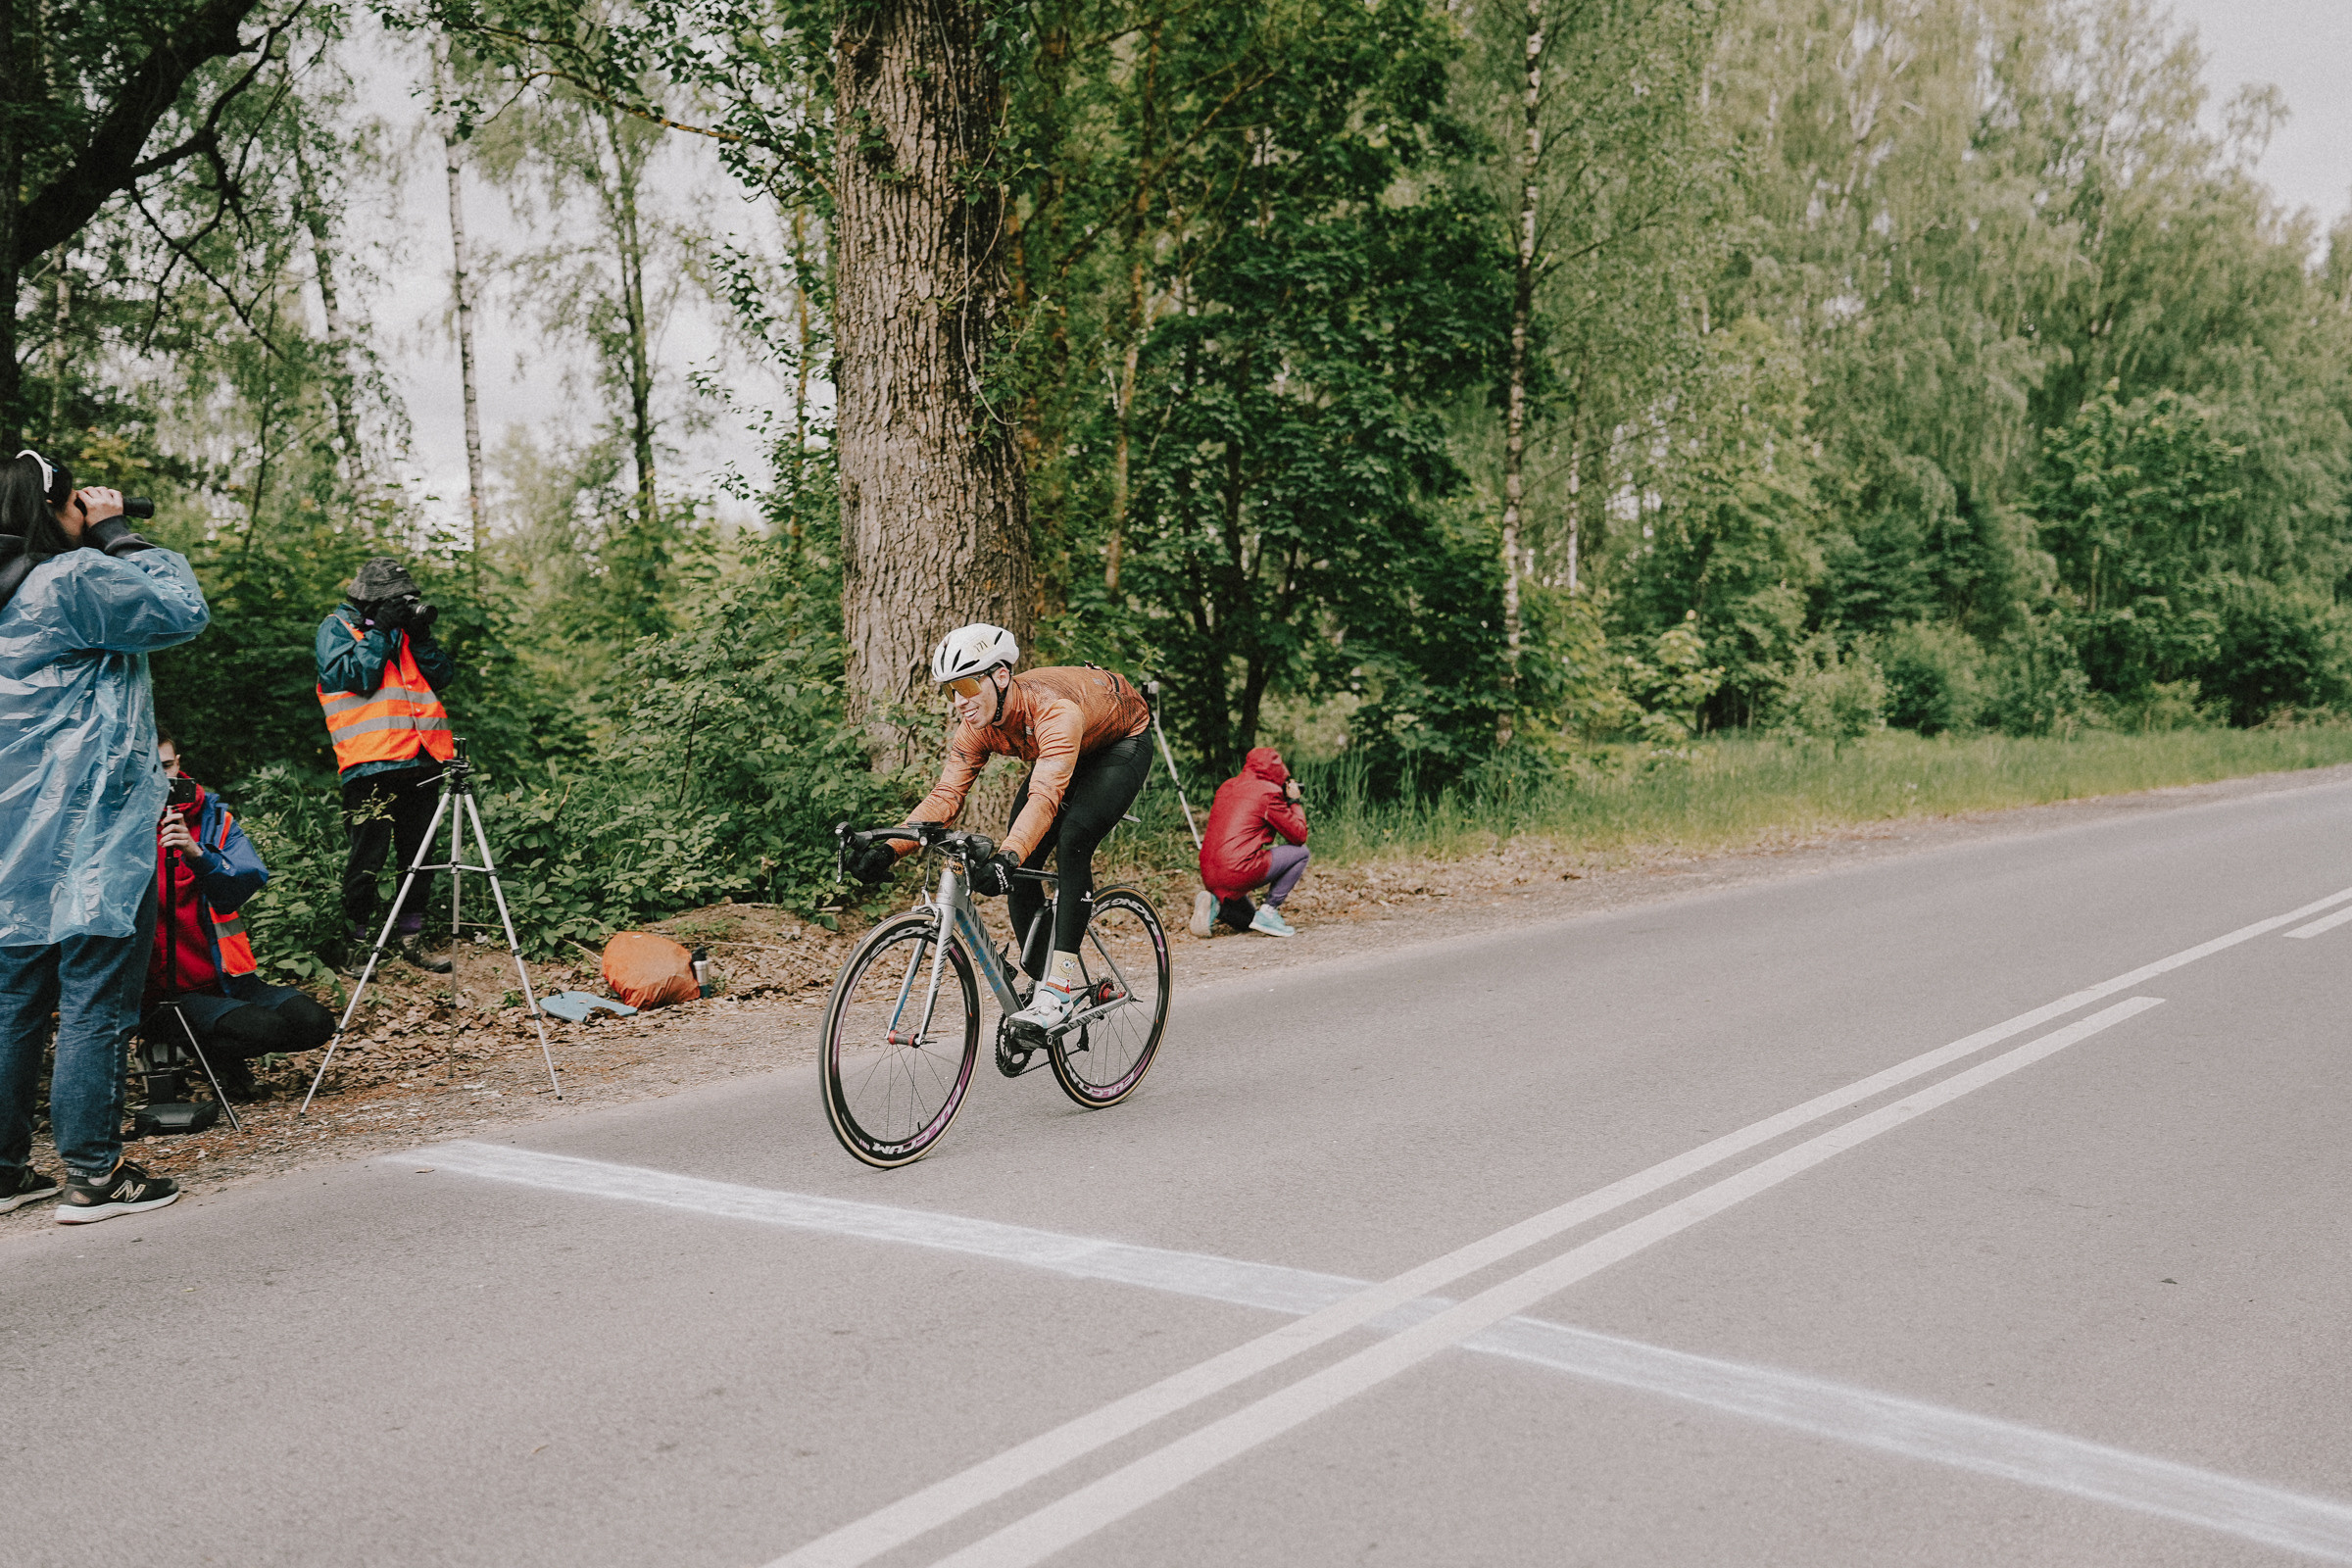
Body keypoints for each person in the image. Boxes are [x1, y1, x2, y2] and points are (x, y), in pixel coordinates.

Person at [0, 448, 208, 1223]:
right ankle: (93, 1174)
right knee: (93, 997)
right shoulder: (73, 581)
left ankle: (4, 1170)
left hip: (13, 843)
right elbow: (181, 611)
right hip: (92, 831)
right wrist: (119, 532)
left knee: (14, 1000)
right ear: (60, 511)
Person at [842, 624, 1152, 1037]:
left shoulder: (1053, 709)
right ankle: (1042, 978)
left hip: (1118, 744)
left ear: (1000, 676)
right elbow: (946, 795)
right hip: (1060, 753)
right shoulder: (977, 722)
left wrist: (1007, 857)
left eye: (967, 685)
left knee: (1071, 840)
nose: (960, 702)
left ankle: (1058, 991)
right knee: (1021, 856)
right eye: (950, 690)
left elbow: (1045, 796)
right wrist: (890, 848)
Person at [146, 737, 335, 1100]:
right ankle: (179, 1050)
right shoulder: (115, 823)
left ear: (179, 762)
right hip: (162, 989)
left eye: (167, 766)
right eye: (150, 768)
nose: (162, 779)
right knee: (262, 1029)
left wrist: (197, 854)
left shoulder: (213, 817)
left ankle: (214, 1054)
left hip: (228, 979)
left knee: (314, 1023)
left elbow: (246, 880)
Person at [317, 557, 456, 974]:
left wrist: (421, 634)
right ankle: (355, 947)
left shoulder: (403, 632)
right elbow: (358, 675)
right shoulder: (336, 629)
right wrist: (379, 631)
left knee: (420, 855)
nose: (406, 605)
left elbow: (442, 675)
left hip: (421, 758)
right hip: (369, 764)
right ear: (372, 602)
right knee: (367, 860)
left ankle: (411, 938)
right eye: (397, 601)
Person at [1191, 747, 1312, 939]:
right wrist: (1294, 801)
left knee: (1248, 921)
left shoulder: (1227, 786)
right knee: (1301, 853)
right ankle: (1269, 911)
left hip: (1209, 873)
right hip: (1237, 869)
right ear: (1279, 771)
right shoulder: (1269, 792)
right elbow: (1298, 836)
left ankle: (1215, 905)